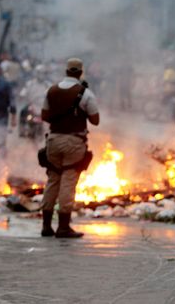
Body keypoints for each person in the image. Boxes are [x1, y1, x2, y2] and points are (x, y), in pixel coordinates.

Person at [40, 58, 100, 238]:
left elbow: (44, 115)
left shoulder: (51, 90)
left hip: (53, 140)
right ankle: (63, 227)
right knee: (68, 181)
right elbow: (95, 120)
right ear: (80, 73)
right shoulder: (86, 93)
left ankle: (46, 226)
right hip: (74, 142)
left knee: (52, 180)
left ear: (66, 71)